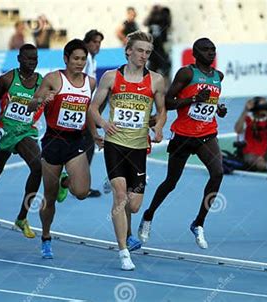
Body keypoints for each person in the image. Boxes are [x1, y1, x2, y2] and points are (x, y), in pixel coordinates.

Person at [138, 38, 228, 250]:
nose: (211, 53)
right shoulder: (186, 73)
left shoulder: (218, 76)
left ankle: (198, 223)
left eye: (213, 49)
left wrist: (218, 110)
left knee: (218, 173)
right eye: (206, 50)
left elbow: (210, 104)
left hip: (207, 134)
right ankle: (149, 215)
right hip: (184, 135)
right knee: (171, 182)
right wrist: (193, 99)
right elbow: (168, 103)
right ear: (195, 53)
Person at [89, 30, 167, 271]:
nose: (144, 55)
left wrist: (160, 127)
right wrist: (103, 124)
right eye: (140, 51)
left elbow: (162, 110)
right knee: (120, 197)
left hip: (138, 147)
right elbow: (93, 108)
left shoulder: (155, 80)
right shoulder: (111, 78)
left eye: (148, 52)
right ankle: (123, 250)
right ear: (129, 51)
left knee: (133, 205)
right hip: (115, 144)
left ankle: (120, 189)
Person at [27, 39, 95, 259]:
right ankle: (46, 237)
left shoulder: (91, 83)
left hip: (76, 140)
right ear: (66, 59)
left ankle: (67, 181)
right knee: (50, 195)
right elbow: (31, 104)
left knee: (82, 192)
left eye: (83, 59)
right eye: (75, 58)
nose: (79, 63)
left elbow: (90, 111)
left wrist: (96, 134)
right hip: (54, 141)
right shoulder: (53, 79)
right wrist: (43, 100)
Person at [0, 44, 44, 240]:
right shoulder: (7, 79)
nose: (32, 62)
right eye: (28, 58)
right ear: (19, 59)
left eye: (35, 59)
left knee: (38, 167)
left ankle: (22, 217)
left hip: (25, 133)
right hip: (4, 132)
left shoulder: (41, 82)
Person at [82, 29, 105, 198]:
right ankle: (82, 185)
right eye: (95, 42)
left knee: (84, 145)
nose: (97, 45)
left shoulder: (92, 60)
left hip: (87, 108)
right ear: (87, 42)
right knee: (89, 144)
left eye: (99, 42)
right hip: (84, 108)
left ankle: (70, 179)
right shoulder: (85, 60)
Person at [144, 5, 172, 82]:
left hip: (160, 48)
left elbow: (168, 21)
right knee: (152, 68)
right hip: (154, 48)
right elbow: (145, 22)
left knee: (164, 68)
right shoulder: (151, 20)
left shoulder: (163, 20)